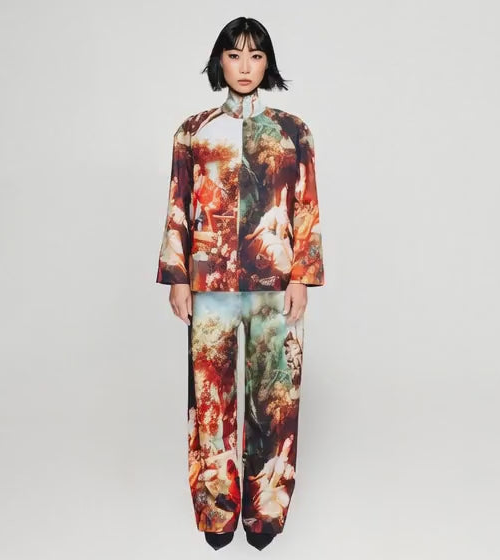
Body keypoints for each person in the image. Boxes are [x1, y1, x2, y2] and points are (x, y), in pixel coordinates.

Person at [155, 16, 324, 551]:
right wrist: (177, 277)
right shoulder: (193, 131)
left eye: (255, 55)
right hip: (210, 286)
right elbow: (178, 204)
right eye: (234, 55)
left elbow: (306, 207)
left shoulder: (293, 131)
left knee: (275, 400)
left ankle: (266, 512)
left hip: (276, 285)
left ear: (267, 62)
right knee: (210, 401)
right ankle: (216, 512)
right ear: (220, 62)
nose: (245, 66)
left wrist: (302, 276)